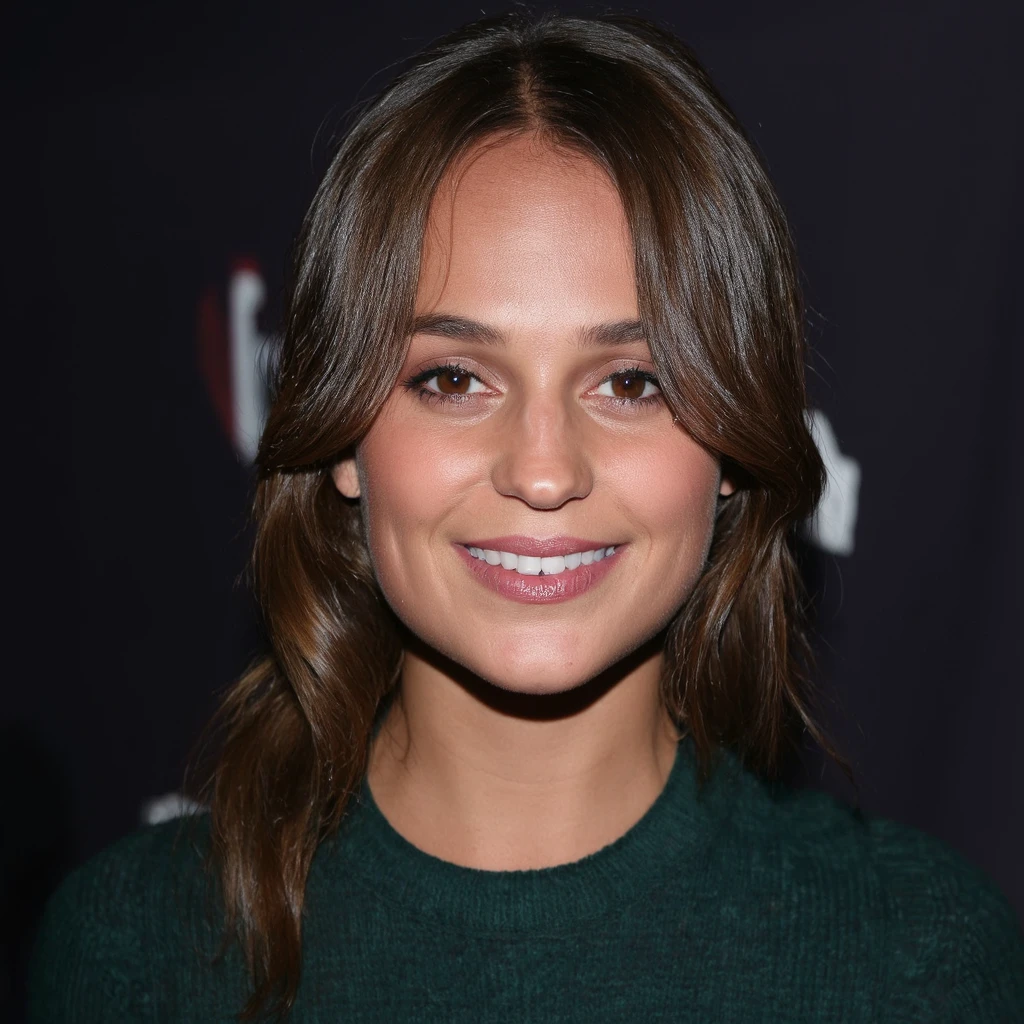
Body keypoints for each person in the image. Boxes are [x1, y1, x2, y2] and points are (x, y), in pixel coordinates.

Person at [29, 11, 1024, 1022]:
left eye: (632, 381)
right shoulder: (137, 948)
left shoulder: (916, 958)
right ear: (339, 438)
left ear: (732, 443)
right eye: (454, 377)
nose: (543, 472)